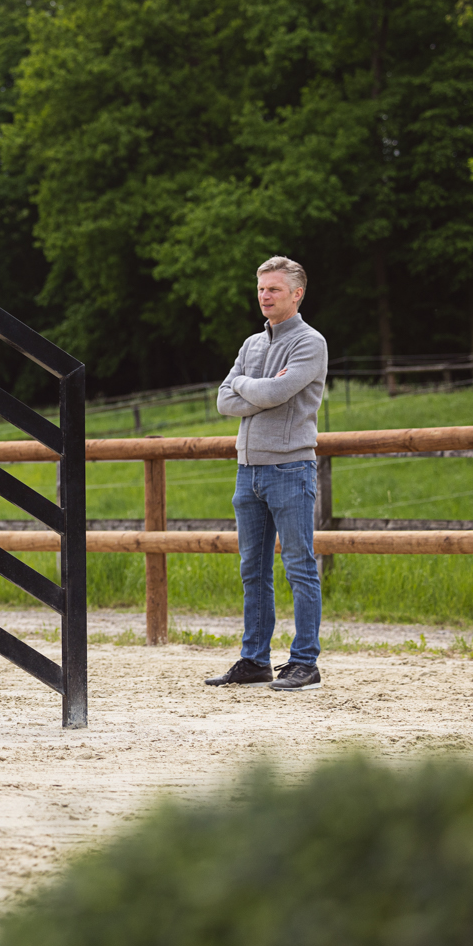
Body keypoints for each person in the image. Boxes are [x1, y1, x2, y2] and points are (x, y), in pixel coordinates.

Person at [204, 256, 329, 692]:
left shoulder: (310, 343)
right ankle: (255, 659)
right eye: (261, 289)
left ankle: (304, 661)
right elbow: (224, 400)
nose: (264, 296)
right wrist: (249, 386)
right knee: (252, 570)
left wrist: (246, 385)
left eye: (274, 289)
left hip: (291, 467)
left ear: (297, 293)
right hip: (248, 470)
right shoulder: (251, 345)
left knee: (299, 566)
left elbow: (277, 391)